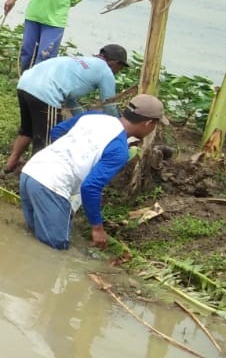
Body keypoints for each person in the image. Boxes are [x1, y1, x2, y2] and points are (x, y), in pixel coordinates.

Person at [19, 94, 167, 251]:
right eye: (155, 125)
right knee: (56, 249)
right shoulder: (119, 149)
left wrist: (68, 157)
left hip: (31, 171)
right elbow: (90, 187)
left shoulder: (94, 116)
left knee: (33, 237)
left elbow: (57, 131)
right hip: (51, 185)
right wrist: (97, 228)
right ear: (148, 123)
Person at [4, 44, 129, 174]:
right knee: (48, 139)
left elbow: (70, 99)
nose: (119, 71)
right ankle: (35, 174)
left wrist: (83, 118)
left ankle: (12, 161)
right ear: (115, 63)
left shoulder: (82, 61)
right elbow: (109, 104)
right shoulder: (105, 71)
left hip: (25, 84)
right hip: (45, 93)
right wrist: (120, 126)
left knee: (28, 129)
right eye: (121, 67)